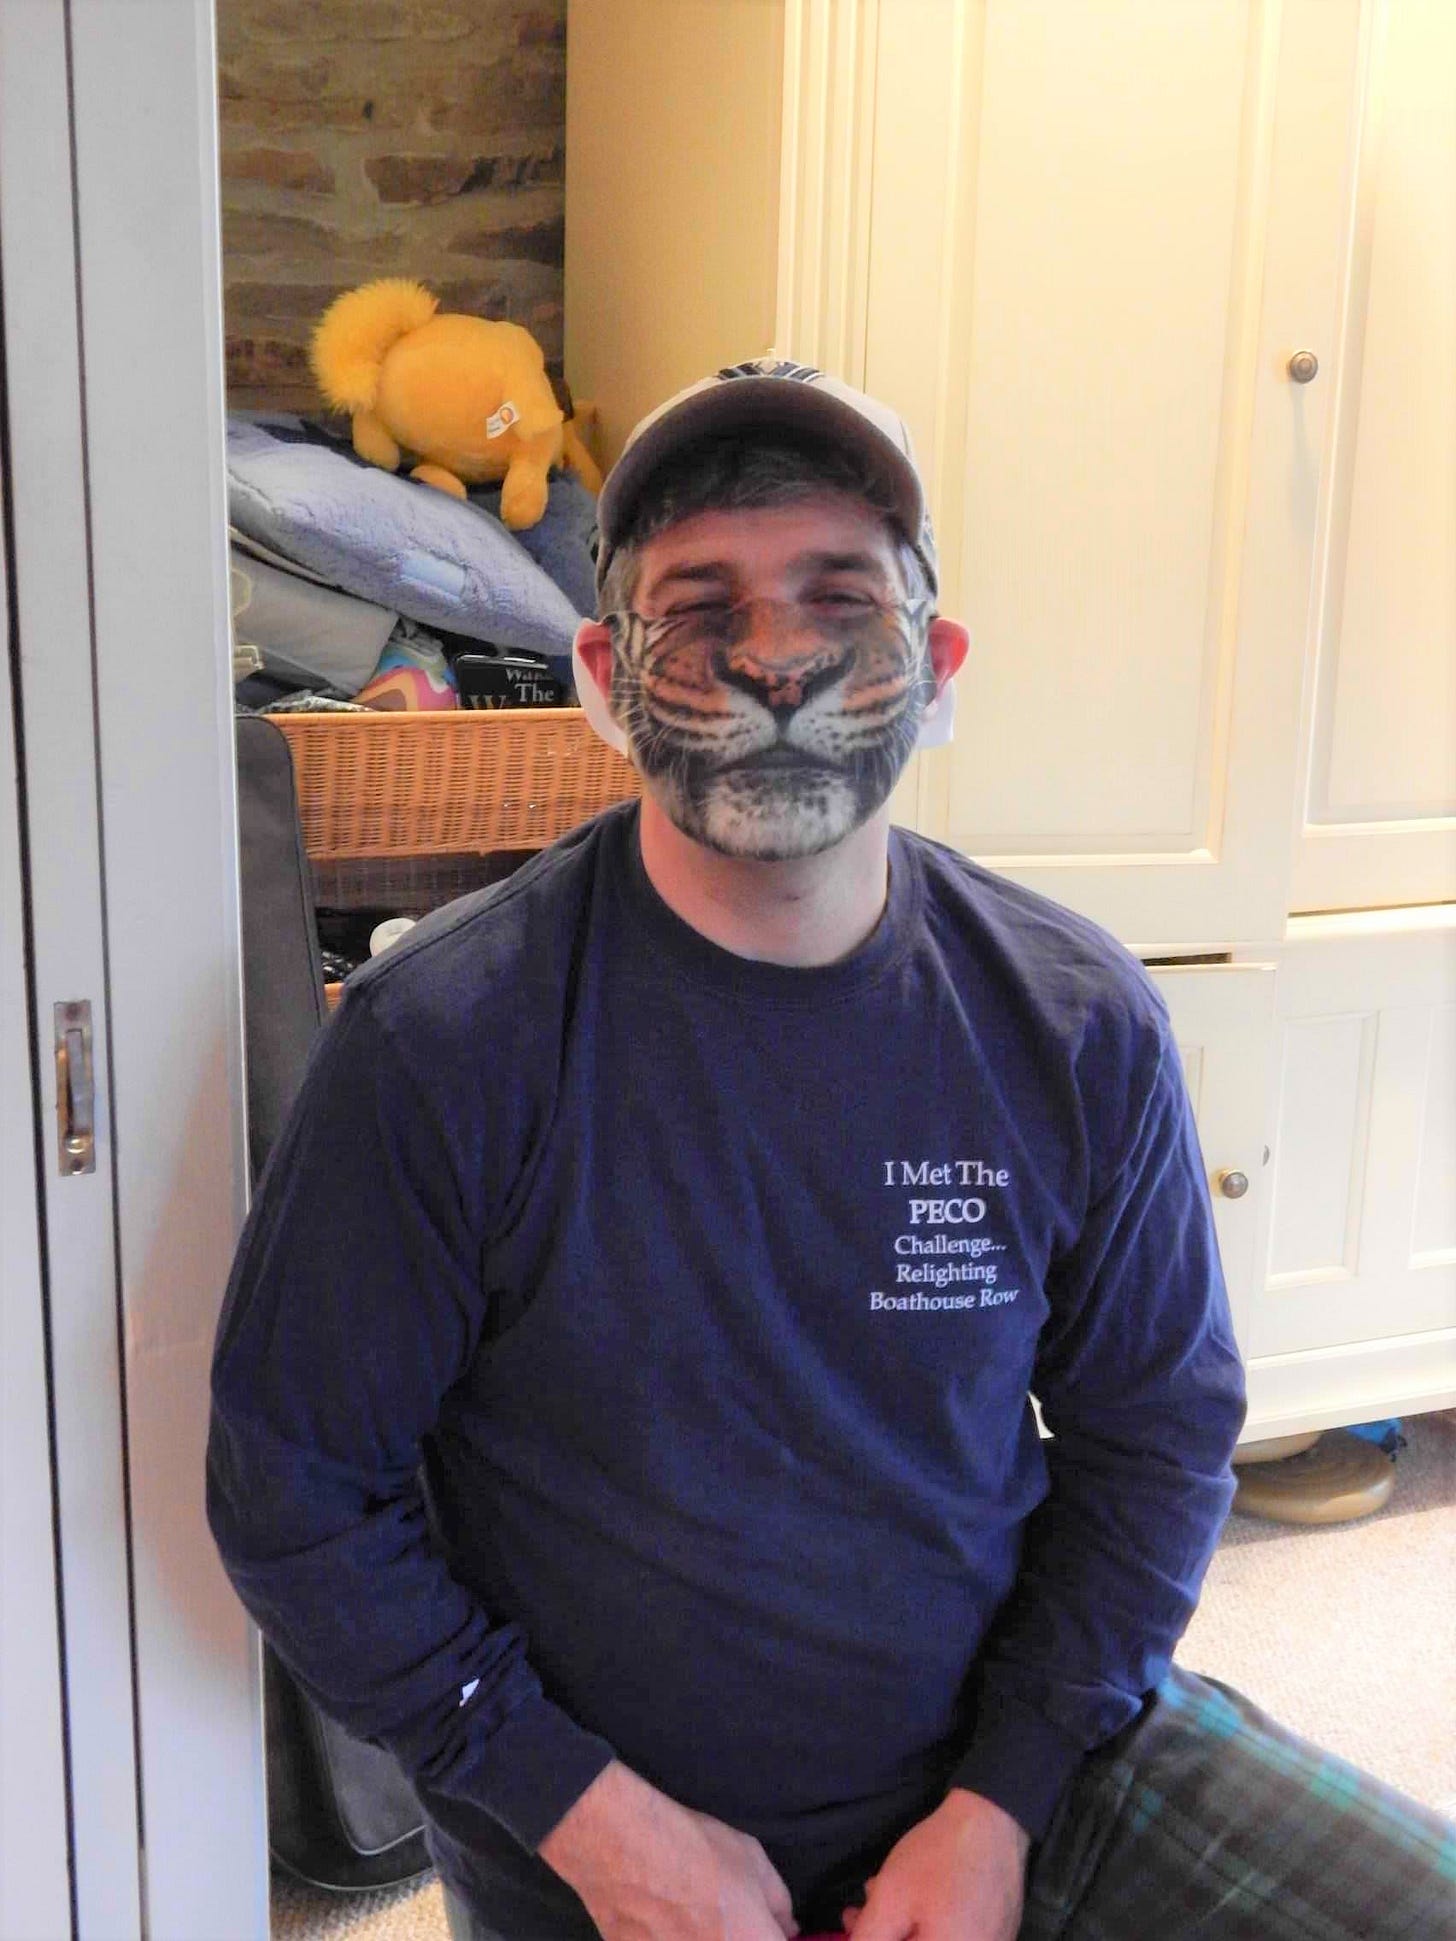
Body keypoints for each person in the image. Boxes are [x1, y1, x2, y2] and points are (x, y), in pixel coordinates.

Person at [207, 359, 1456, 1941]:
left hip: (1025, 1767)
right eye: (702, 601)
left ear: (935, 667)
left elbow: (1156, 1440)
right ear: (601, 674)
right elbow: (294, 1493)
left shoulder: (1074, 1023)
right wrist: (586, 1820)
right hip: (603, 1850)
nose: (777, 657)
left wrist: (999, 1804)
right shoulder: (442, 1040)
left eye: (835, 593)